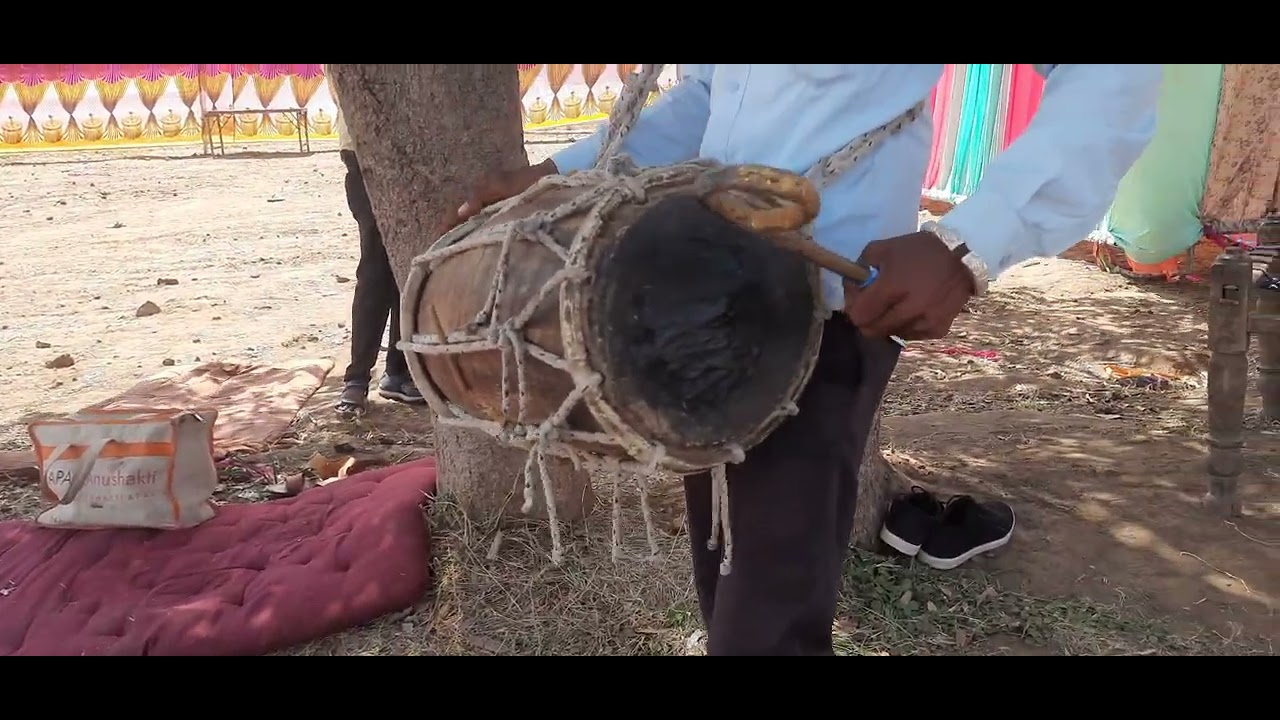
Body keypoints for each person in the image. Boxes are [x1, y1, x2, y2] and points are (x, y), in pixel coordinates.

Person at [447, 64, 1163, 655]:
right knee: (726, 564)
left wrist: (970, 244)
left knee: (769, 606)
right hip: (711, 292)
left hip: (828, 309)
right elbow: (708, 95)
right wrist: (564, 169)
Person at [326, 65, 424, 416]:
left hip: (419, 150)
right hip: (366, 152)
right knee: (376, 267)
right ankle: (357, 377)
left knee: (409, 261)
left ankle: (400, 371)